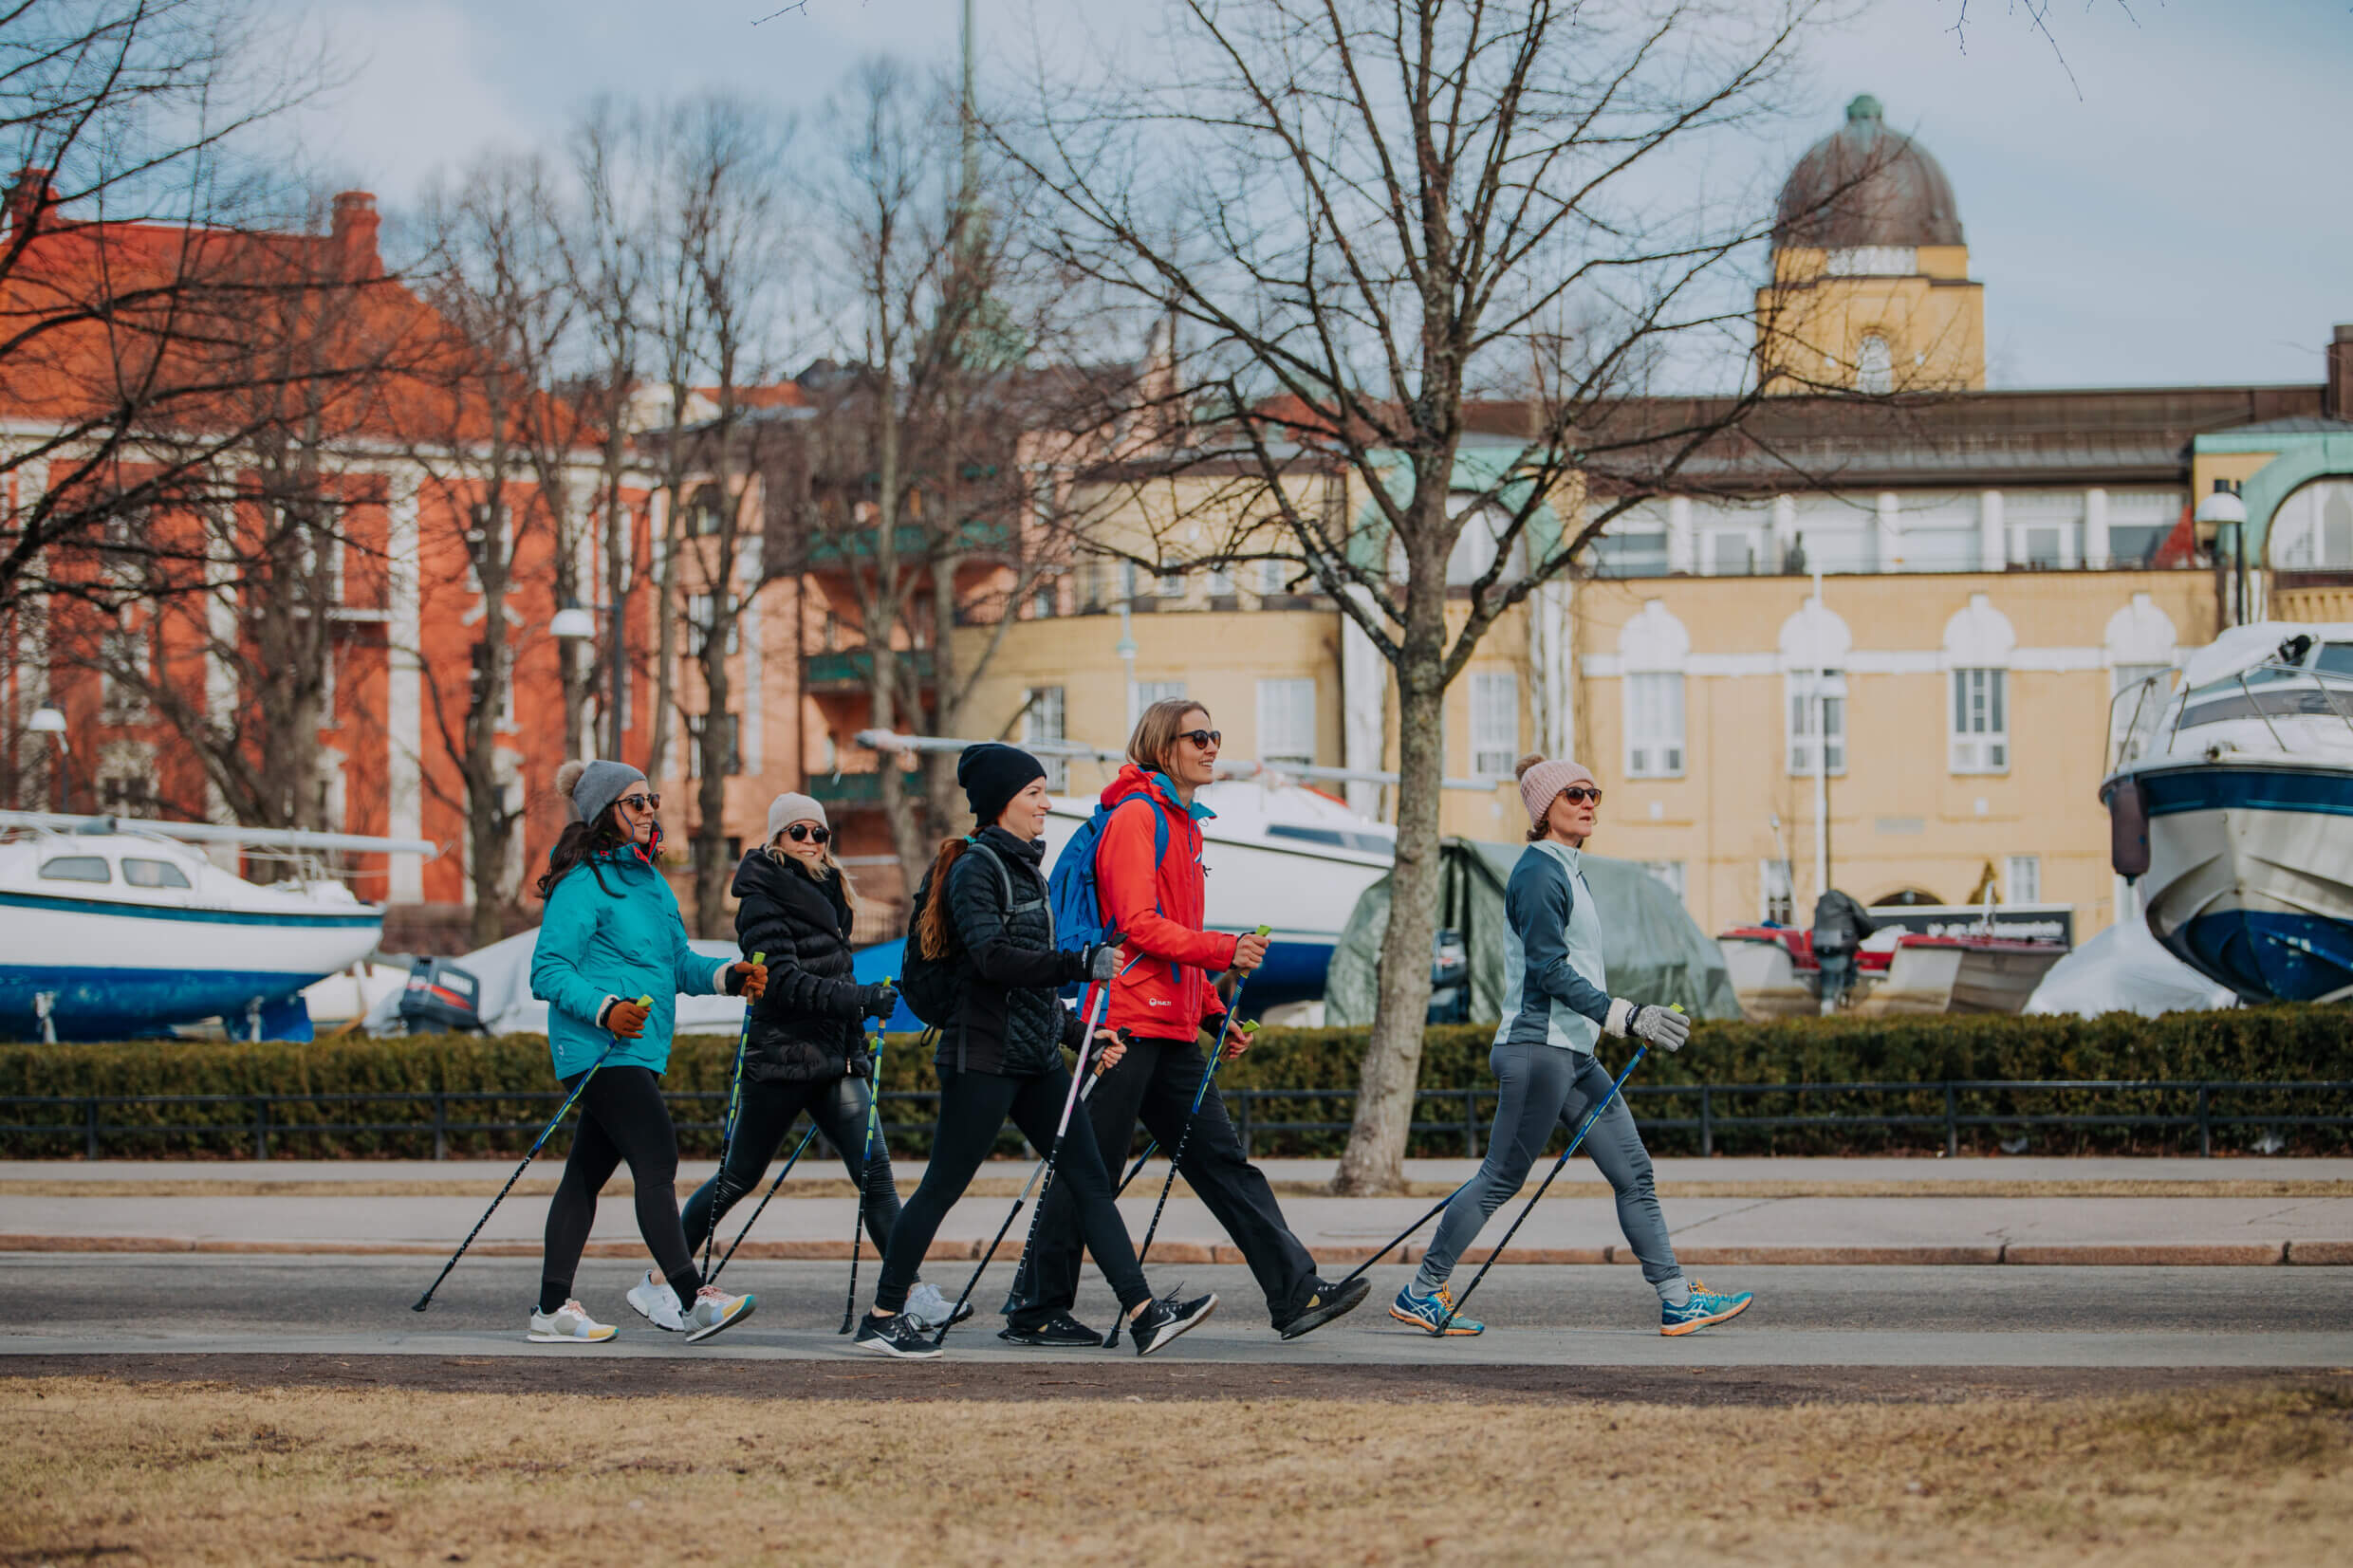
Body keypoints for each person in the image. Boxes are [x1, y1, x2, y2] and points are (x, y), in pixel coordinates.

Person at [1003, 699, 1369, 1346]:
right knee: (1092, 1172)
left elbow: (1179, 939)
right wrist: (1225, 950)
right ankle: (1036, 1306)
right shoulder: (1138, 817)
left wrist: (1215, 1015)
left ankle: (1293, 1290)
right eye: (1198, 735)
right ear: (1162, 745)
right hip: (1123, 1024)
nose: (1212, 746)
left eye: (1215, 734)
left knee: (1226, 1164)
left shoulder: (1185, 823)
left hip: (1171, 1027)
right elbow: (1137, 926)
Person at [852, 742, 1219, 1359]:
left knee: (1090, 1180)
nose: (1046, 803)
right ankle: (885, 1314)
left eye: (1045, 792)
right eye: (1035, 793)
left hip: (1036, 1057)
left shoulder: (1025, 868)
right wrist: (1076, 963)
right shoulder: (977, 867)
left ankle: (1143, 1312)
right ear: (1002, 802)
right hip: (984, 1058)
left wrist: (1079, 1033)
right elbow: (993, 958)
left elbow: (1030, 985)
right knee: (943, 1185)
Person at [1388, 753, 1754, 1338]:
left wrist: (1615, 1020)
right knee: (1501, 1179)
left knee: (1633, 1171)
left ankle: (1678, 1299)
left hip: (1572, 1053)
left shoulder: (1568, 868)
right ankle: (1422, 1291)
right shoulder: (1538, 873)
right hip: (1538, 1050)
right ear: (1543, 810)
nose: (1588, 804)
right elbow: (1548, 968)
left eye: (1593, 795)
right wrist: (1626, 1016)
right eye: (1574, 796)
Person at [679, 792, 966, 1331]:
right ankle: (668, 1278)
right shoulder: (760, 895)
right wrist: (859, 1000)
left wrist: (857, 1032)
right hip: (783, 1058)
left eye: (819, 833)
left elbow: (834, 977)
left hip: (834, 1056)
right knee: (738, 1177)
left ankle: (910, 1293)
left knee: (877, 1179)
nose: (810, 841)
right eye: (798, 832)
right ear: (776, 839)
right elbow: (782, 983)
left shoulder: (831, 889)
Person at [524, 758, 764, 1345]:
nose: (650, 809)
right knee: (657, 1158)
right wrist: (606, 1008)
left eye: (651, 798)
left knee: (584, 1176)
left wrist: (728, 977)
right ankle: (691, 1299)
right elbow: (547, 970)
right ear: (608, 813)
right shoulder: (583, 882)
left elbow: (677, 963)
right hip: (598, 1049)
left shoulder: (651, 883)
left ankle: (552, 1310)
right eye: (636, 802)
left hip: (639, 1049)